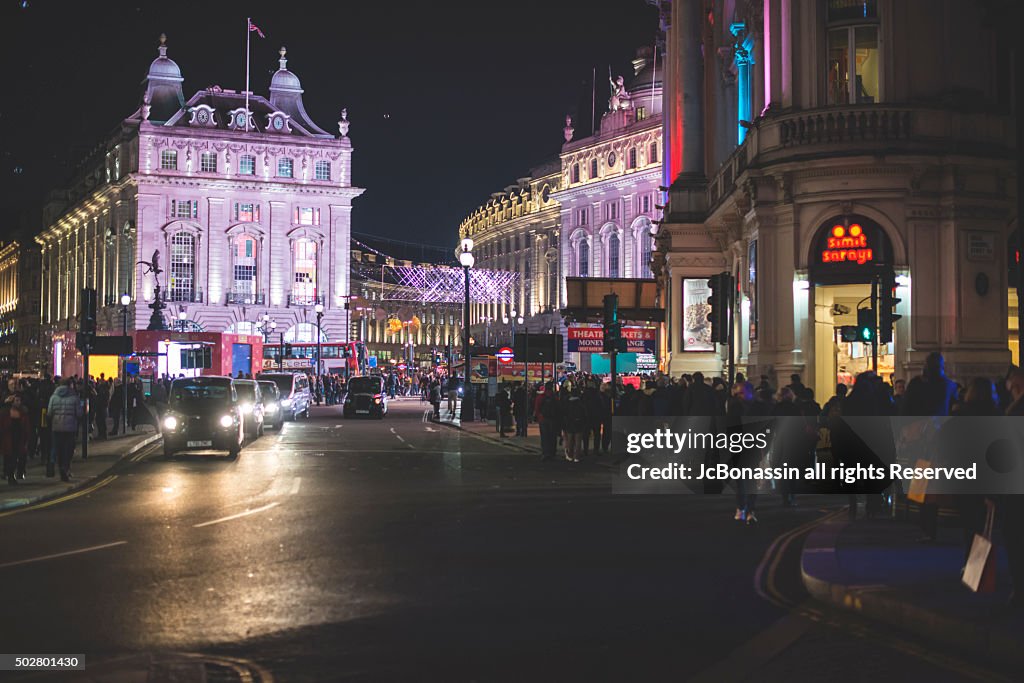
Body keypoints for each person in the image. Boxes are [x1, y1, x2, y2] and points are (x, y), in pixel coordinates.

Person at [48, 378, 83, 482]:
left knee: (59, 449)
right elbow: (79, 413)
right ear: (70, 385)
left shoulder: (53, 397)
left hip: (57, 427)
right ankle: (65, 467)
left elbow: (49, 413)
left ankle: (60, 468)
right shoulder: (74, 397)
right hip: (70, 428)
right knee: (68, 450)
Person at [1, 393, 31, 484]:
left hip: (19, 438)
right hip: (8, 438)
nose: (18, 402)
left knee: (15, 457)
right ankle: (9, 474)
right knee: (8, 457)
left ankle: (11, 475)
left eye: (19, 400)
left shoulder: (23, 412)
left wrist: (27, 438)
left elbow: (26, 427)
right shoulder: (5, 412)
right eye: (16, 400)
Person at [535, 382, 560, 461]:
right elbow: (558, 408)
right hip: (553, 419)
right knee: (553, 436)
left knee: (544, 437)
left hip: (543, 419)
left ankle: (546, 453)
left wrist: (539, 416)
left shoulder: (541, 396)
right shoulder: (555, 397)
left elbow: (537, 408)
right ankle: (552, 452)